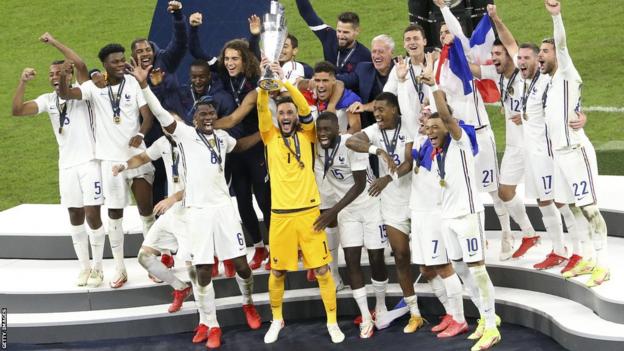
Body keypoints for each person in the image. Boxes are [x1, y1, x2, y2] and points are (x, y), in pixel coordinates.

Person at [130, 61, 263, 348]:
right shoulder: (186, 136)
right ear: (195, 117)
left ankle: (248, 303)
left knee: (241, 265)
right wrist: (143, 86)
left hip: (224, 210)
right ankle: (211, 325)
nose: (208, 117)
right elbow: (161, 113)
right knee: (202, 270)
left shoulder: (223, 137)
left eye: (212, 113)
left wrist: (265, 134)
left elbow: (238, 147)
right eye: (202, 113)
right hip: (198, 213)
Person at [484, 4, 588, 271]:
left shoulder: (547, 79)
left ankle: (579, 252)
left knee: (561, 201)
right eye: (521, 58)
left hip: (548, 151)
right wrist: (496, 19)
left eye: (531, 58)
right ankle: (559, 249)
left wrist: (579, 115)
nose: (523, 62)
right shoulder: (525, 78)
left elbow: (566, 101)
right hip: (532, 153)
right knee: (544, 201)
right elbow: (508, 43)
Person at [258, 64, 344, 344]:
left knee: (322, 270)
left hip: (308, 214)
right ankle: (277, 319)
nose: (285, 116)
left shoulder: (307, 134)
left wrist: (285, 84)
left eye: (289, 112)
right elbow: (262, 111)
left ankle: (332, 322)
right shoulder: (269, 136)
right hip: (281, 216)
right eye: (281, 113)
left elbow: (306, 111)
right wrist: (263, 86)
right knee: (278, 271)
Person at [58, 43, 155, 289]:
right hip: (110, 162)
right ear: (104, 66)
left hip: (137, 157)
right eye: (115, 62)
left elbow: (148, 116)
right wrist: (63, 75)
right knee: (114, 216)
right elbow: (66, 94)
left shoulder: (133, 82)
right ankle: (120, 268)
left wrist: (142, 135)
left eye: (123, 60)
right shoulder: (92, 87)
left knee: (146, 211)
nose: (121, 64)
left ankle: (152, 264)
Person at [11, 33, 105, 288]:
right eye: (51, 74)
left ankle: (98, 268)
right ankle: (84, 268)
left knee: (92, 214)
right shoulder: (47, 99)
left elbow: (82, 65)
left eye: (59, 72)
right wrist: (22, 82)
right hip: (67, 166)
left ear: (69, 71)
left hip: (90, 162)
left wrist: (54, 42)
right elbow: (17, 110)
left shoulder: (84, 90)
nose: (54, 77)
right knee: (74, 214)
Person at [423, 64, 501, 351]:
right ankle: (485, 316)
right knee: (459, 268)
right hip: (448, 217)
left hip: (468, 214)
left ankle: (491, 326)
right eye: (428, 128)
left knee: (477, 270)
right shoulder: (438, 151)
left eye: (436, 127)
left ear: (448, 126)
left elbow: (445, 115)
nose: (431, 130)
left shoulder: (461, 142)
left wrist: (434, 86)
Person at [434, 0, 517, 252]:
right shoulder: (440, 65)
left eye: (447, 31)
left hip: (479, 135)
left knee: (492, 189)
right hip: (458, 139)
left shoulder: (462, 56)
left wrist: (444, 10)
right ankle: (479, 237)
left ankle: (507, 234)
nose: (445, 35)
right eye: (441, 33)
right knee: (467, 190)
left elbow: (458, 33)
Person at [541, 0, 608, 287]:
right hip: (560, 156)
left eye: (545, 52)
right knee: (572, 206)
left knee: (590, 208)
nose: (541, 56)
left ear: (557, 54)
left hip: (576, 152)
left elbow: (562, 45)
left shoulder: (567, 71)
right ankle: (587, 257)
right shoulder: (552, 81)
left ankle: (602, 265)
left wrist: (557, 18)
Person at [346, 92, 425, 334]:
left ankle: (452, 308)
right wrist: (377, 151)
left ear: (394, 109)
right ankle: (415, 313)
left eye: (381, 109)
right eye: (375, 110)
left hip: (418, 199)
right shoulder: (374, 131)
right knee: (401, 255)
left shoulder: (408, 127)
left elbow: (409, 162)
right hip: (391, 205)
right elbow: (351, 141)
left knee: (429, 262)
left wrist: (387, 178)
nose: (377, 114)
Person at [313, 111, 388, 338]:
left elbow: (358, 185)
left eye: (328, 129)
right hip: (346, 212)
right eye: (320, 129)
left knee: (376, 257)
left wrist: (331, 213)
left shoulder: (351, 144)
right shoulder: (315, 146)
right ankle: (365, 315)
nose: (323, 133)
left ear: (338, 129)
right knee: (352, 260)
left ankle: (381, 306)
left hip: (370, 205)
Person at [112, 113, 192, 313]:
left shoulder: (195, 144)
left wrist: (173, 198)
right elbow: (142, 157)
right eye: (166, 124)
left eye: (175, 122)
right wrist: (124, 165)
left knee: (196, 267)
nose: (170, 127)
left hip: (192, 211)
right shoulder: (163, 143)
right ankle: (180, 288)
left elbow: (202, 185)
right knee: (144, 256)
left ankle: (208, 319)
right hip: (172, 213)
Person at [470, 34, 537, 261]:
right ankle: (529, 233)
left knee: (551, 199)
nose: (493, 58)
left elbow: (511, 41)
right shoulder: (498, 76)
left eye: (498, 54)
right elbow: (474, 70)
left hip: (536, 144)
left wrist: (495, 17)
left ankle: (570, 248)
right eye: (492, 54)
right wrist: (449, 53)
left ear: (511, 56)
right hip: (513, 146)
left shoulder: (524, 74)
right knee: (504, 192)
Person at [131, 0, 188, 207]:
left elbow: (181, 42)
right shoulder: (131, 76)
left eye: (147, 50)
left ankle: (186, 210)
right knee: (159, 175)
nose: (145, 54)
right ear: (133, 56)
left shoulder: (165, 61)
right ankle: (159, 218)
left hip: (177, 126)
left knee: (184, 171)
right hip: (154, 131)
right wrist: (150, 84)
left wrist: (177, 16)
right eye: (140, 52)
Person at [295, 0, 371, 74]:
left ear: (357, 31)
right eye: (339, 31)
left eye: (346, 32)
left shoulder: (365, 56)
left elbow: (360, 81)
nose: (341, 36)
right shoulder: (329, 36)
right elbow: (308, 14)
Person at [338, 35, 395, 129]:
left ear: (391, 53)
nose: (376, 56)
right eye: (374, 51)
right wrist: (326, 78)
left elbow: (388, 101)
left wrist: (364, 107)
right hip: (370, 127)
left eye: (381, 52)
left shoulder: (399, 70)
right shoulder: (363, 69)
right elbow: (345, 80)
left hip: (395, 127)